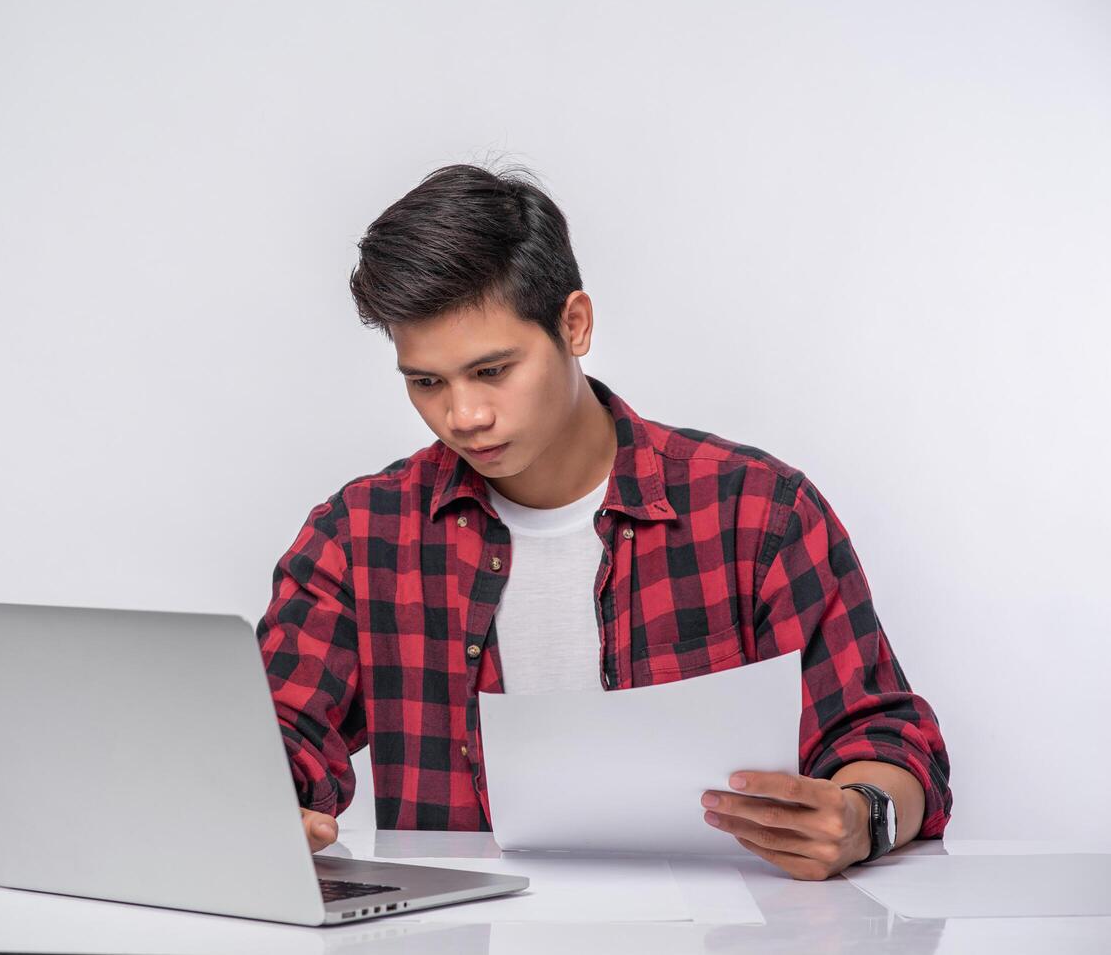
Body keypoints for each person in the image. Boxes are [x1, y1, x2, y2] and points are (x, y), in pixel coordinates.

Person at [255, 163, 951, 881]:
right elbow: (282, 735)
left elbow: (883, 739)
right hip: (462, 935)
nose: (463, 417)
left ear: (573, 324)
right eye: (426, 383)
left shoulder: (754, 512)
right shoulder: (359, 535)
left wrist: (860, 817)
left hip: (713, 931)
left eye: (492, 371)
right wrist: (259, 801)